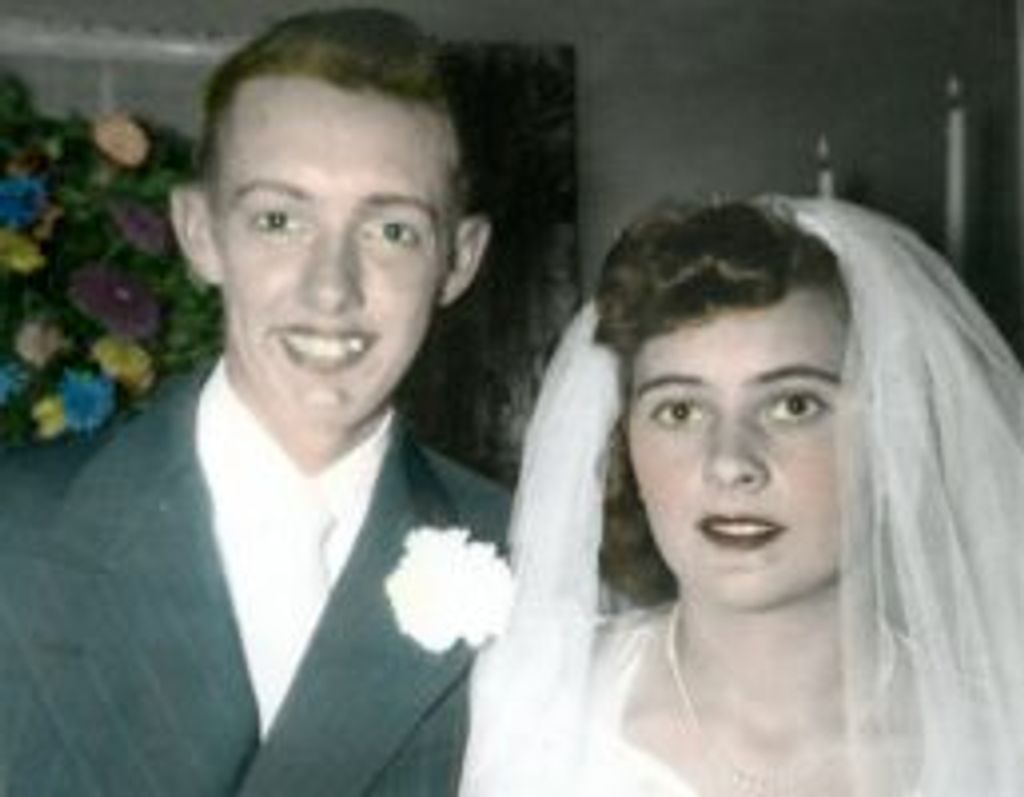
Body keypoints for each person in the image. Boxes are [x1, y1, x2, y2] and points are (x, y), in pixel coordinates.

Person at [0, 9, 507, 796]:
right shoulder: (17, 533)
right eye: (279, 220)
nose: (331, 289)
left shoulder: (531, 561)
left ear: (460, 260)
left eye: (391, 231)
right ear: (199, 231)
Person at [460, 197, 1024, 796]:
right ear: (627, 444)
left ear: (892, 429)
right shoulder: (539, 712)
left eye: (793, 406)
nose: (730, 463)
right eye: (680, 411)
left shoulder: (997, 736)